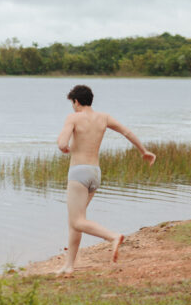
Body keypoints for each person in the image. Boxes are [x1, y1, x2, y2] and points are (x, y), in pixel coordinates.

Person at [55, 84, 156, 274]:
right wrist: (144, 151)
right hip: (95, 173)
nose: (73, 107)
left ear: (76, 101)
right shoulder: (104, 117)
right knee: (77, 221)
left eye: (73, 103)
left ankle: (113, 236)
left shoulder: (73, 117)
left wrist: (63, 146)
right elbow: (127, 132)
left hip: (78, 173)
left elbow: (62, 142)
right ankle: (69, 266)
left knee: (76, 221)